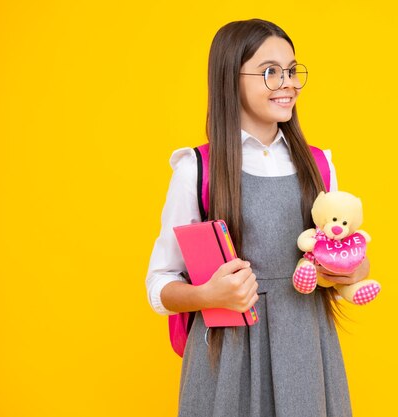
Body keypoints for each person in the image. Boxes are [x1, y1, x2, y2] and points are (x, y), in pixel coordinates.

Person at [146, 18, 370, 417]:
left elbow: (345, 256)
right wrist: (206, 295)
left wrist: (350, 273)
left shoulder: (319, 165)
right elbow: (159, 283)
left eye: (291, 70)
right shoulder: (197, 169)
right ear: (230, 78)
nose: (288, 83)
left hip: (307, 352)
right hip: (226, 359)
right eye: (270, 72)